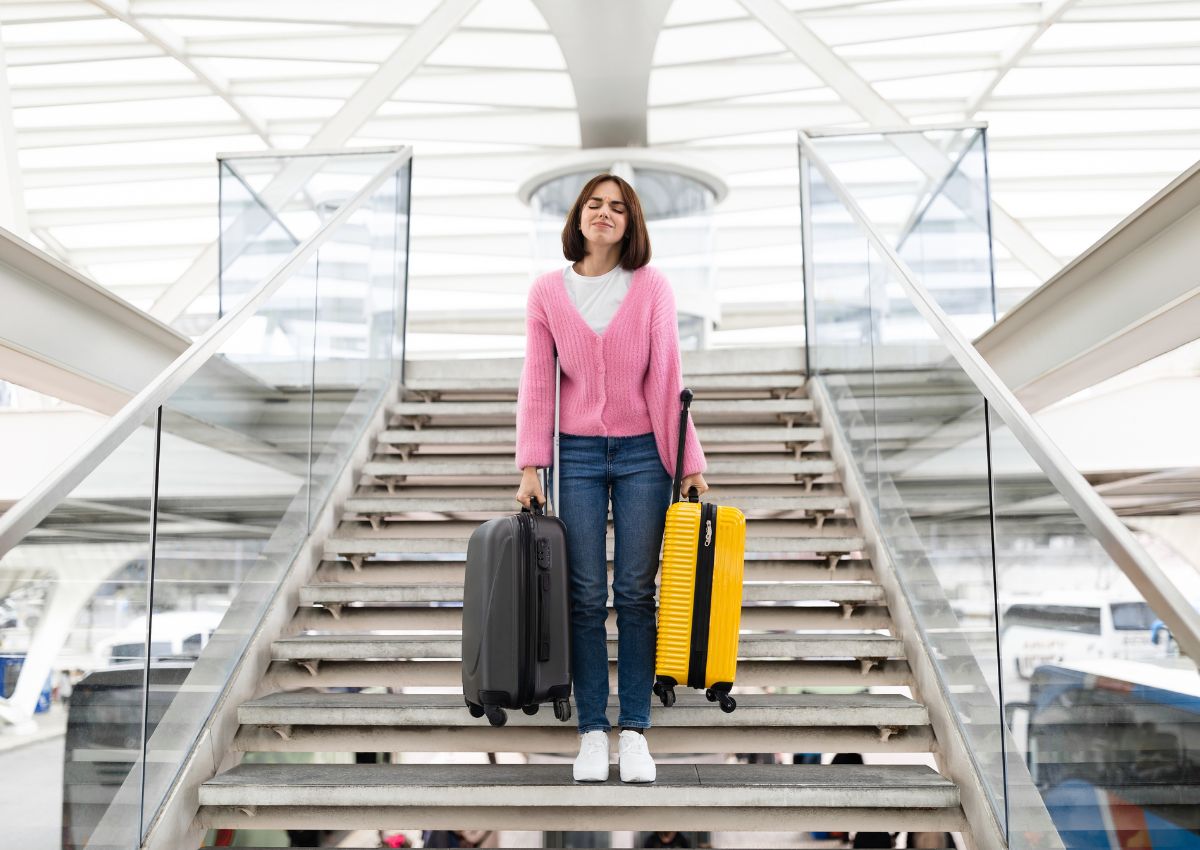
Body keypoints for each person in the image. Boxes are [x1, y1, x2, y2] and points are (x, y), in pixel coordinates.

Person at [515, 173, 708, 784]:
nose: (604, 213)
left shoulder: (651, 287)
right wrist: (530, 465)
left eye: (617, 207)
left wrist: (690, 465)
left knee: (633, 592)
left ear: (632, 222)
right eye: (594, 204)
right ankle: (593, 731)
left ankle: (637, 732)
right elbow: (538, 382)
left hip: (642, 456)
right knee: (582, 596)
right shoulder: (548, 292)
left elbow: (666, 377)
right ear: (578, 217)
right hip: (573, 455)